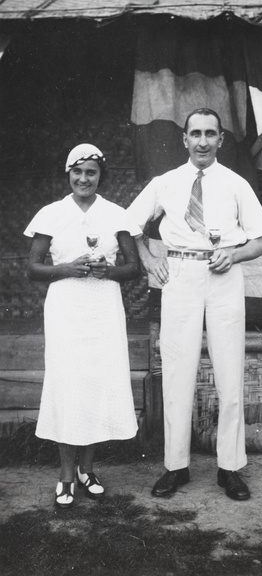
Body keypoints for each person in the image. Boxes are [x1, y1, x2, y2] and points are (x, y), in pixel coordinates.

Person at [127, 108, 262, 501]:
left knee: (229, 371)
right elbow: (128, 225)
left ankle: (230, 469)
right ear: (184, 139)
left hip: (224, 278)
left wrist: (235, 255)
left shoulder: (236, 184)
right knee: (177, 371)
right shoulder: (166, 183)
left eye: (211, 134)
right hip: (180, 276)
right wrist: (149, 259)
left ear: (221, 139)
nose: (203, 141)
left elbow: (261, 241)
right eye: (196, 134)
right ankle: (176, 467)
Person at [24, 143, 141, 509]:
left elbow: (133, 268)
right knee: (68, 384)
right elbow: (33, 268)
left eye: (91, 172)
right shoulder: (51, 213)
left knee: (95, 384)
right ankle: (64, 474)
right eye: (77, 172)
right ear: (68, 174)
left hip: (103, 307)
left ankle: (87, 470)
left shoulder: (116, 213)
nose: (84, 179)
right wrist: (67, 269)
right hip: (66, 309)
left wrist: (109, 270)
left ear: (100, 176)